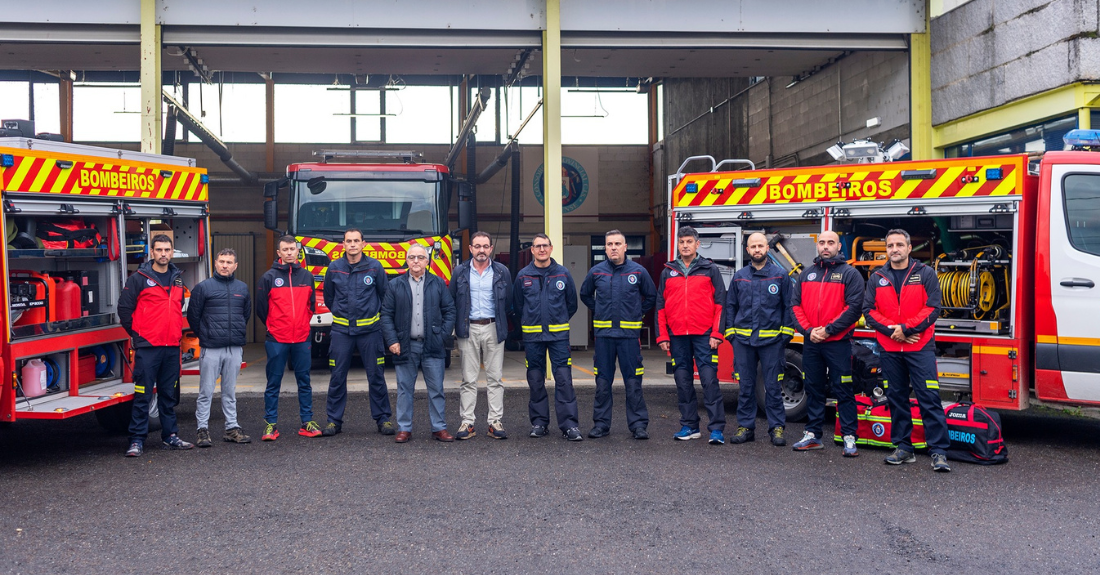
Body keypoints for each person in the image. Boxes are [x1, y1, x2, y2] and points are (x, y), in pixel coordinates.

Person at [862, 229, 952, 472]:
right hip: (890, 348)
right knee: (896, 399)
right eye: (890, 245)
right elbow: (869, 311)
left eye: (899, 244)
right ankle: (903, 447)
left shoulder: (925, 274)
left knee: (929, 398)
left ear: (909, 248)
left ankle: (939, 451)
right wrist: (895, 332)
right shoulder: (877, 277)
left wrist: (906, 329)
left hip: (920, 346)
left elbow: (933, 308)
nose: (894, 249)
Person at [789, 230, 864, 456]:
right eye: (821, 242)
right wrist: (809, 331)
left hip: (838, 342)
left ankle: (849, 437)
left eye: (830, 242)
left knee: (843, 389)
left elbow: (853, 308)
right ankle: (813, 435)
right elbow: (795, 306)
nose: (825, 246)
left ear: (839, 247)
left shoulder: (850, 275)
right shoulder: (806, 274)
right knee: (813, 388)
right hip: (812, 342)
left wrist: (829, 330)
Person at [119, 234, 194, 456]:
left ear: (172, 252)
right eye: (159, 250)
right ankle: (137, 440)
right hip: (148, 348)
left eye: (167, 250)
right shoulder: (139, 278)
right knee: (143, 395)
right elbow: (124, 309)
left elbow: (178, 307)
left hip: (171, 346)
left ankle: (170, 436)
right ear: (151, 252)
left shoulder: (178, 278)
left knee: (168, 395)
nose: (163, 254)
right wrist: (138, 334)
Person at [580, 229, 656, 440]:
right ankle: (601, 425)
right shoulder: (596, 272)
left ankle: (638, 425)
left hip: (629, 337)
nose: (613, 247)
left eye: (617, 244)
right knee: (603, 383)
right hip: (604, 336)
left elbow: (651, 296)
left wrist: (637, 313)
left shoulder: (638, 272)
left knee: (633, 382)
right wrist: (599, 309)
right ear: (605, 248)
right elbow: (584, 294)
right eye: (609, 244)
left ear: (625, 247)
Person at [656, 225, 727, 443]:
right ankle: (689, 426)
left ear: (698, 244)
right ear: (677, 245)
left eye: (689, 241)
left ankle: (716, 429)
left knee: (709, 381)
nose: (685, 245)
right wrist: (662, 336)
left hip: (704, 335)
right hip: (677, 336)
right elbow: (660, 305)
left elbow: (721, 303)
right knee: (683, 381)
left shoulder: (709, 269)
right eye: (681, 242)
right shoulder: (668, 271)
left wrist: (717, 333)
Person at [321, 228, 395, 437]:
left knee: (376, 376)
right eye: (348, 241)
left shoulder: (375, 267)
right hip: (341, 332)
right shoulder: (334, 268)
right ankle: (334, 421)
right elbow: (329, 297)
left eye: (356, 241)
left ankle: (383, 419)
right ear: (343, 245)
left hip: (370, 332)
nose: (352, 244)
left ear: (364, 244)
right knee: (337, 377)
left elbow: (384, 296)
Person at [723, 232, 794, 447]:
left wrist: (785, 335)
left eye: (760, 246)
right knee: (746, 386)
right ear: (747, 250)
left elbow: (788, 307)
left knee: (773, 386)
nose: (757, 250)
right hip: (743, 341)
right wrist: (731, 334)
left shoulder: (781, 276)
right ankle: (746, 427)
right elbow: (730, 306)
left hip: (772, 342)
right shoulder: (739, 276)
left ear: (767, 248)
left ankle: (777, 428)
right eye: (753, 246)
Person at [380, 244, 457, 443]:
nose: (416, 261)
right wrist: (392, 340)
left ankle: (439, 428)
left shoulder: (438, 283)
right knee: (405, 389)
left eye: (420, 257)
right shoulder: (395, 285)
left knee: (436, 389)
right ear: (406, 260)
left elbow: (450, 310)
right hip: (405, 345)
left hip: (433, 344)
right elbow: (386, 315)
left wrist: (442, 336)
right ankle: (404, 428)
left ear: (427, 261)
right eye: (412, 257)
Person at [513, 233, 582, 441]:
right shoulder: (523, 276)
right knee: (535, 381)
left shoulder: (563, 274)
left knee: (563, 380)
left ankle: (569, 426)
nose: (541, 249)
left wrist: (557, 321)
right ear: (532, 250)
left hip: (559, 337)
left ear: (551, 249)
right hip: (533, 338)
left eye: (545, 245)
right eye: (537, 246)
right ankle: (539, 423)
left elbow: (572, 304)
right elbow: (517, 306)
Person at [256, 235, 322, 441]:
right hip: (277, 339)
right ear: (279, 253)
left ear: (297, 251)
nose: (289, 253)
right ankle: (270, 425)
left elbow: (311, 306)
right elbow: (261, 309)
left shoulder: (307, 276)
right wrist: (275, 327)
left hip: (302, 338)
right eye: (285, 250)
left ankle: (307, 422)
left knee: (304, 381)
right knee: (273, 382)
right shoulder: (268, 277)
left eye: (292, 249)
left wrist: (302, 323)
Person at [450, 231, 512, 440]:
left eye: (485, 246)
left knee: (495, 378)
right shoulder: (459, 272)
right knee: (468, 379)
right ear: (470, 249)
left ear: (491, 248)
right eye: (477, 246)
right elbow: (451, 301)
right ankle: (467, 422)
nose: (481, 250)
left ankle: (495, 421)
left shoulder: (502, 272)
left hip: (494, 327)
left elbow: (509, 303)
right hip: (468, 329)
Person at [187, 248, 252, 447]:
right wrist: (205, 336)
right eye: (222, 261)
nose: (225, 265)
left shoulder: (242, 288)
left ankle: (231, 428)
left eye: (229, 262)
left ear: (235, 266)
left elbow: (246, 315)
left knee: (229, 391)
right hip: (211, 347)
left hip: (233, 348)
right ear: (215, 263)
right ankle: (202, 430)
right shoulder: (203, 288)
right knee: (206, 391)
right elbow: (193, 316)